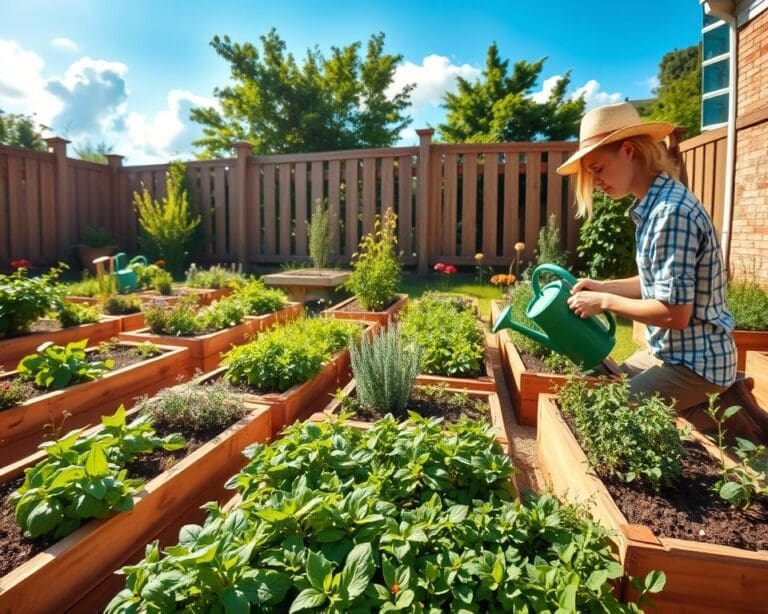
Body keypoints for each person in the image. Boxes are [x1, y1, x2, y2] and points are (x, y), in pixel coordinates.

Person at [556, 101, 737, 412]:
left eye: (598, 169)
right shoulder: (655, 206)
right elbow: (656, 283)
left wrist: (604, 303)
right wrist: (603, 286)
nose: (596, 182)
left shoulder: (670, 213)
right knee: (596, 384)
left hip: (696, 365)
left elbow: (675, 313)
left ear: (628, 150)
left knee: (603, 414)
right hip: (668, 354)